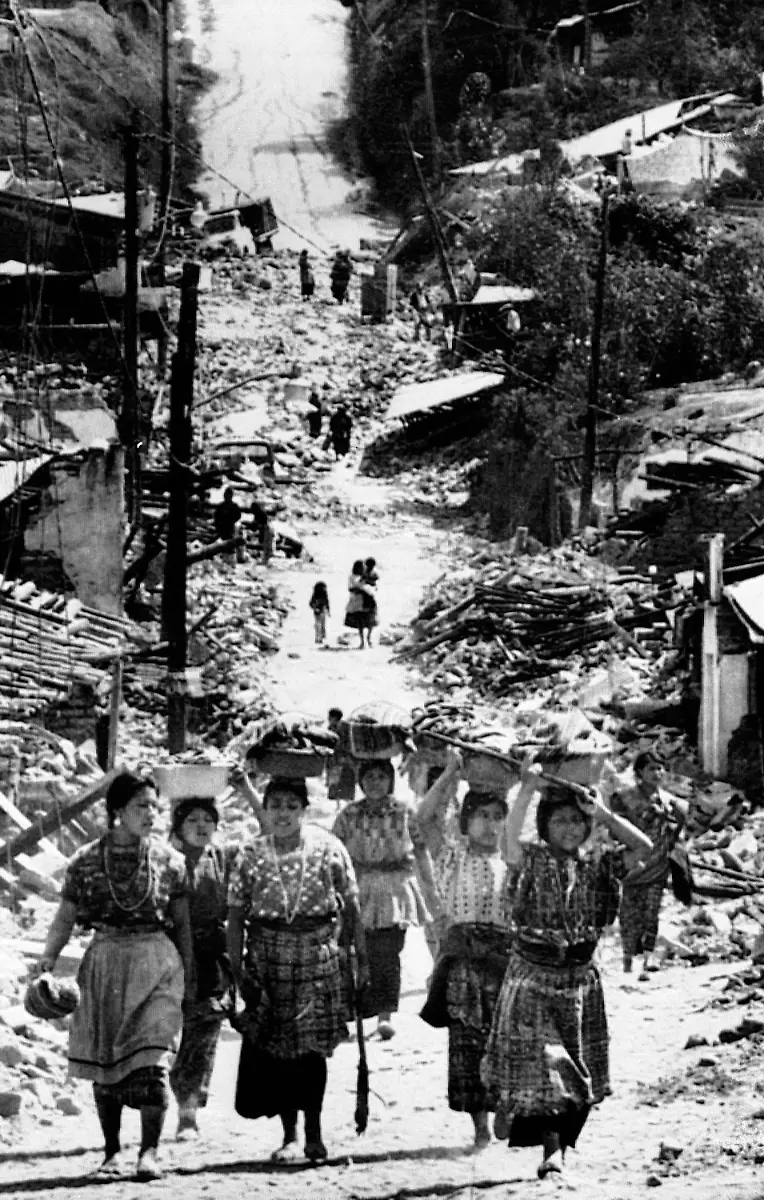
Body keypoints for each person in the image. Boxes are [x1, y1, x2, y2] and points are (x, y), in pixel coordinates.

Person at [480, 774, 652, 1180]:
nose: (570, 829)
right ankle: (551, 1151)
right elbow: (507, 842)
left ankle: (536, 1128)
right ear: (544, 826)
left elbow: (643, 846)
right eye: (560, 821)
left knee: (576, 1068)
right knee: (545, 1064)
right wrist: (525, 786)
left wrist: (603, 813)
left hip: (579, 980)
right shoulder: (531, 859)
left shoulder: (598, 864)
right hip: (533, 975)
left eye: (577, 821)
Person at [32, 773, 193, 1181]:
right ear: (117, 810)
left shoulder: (170, 861)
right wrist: (47, 960)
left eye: (155, 807)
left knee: (154, 1061)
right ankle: (111, 1152)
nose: (150, 815)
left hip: (157, 963)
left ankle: (150, 1153)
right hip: (105, 965)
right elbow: (65, 916)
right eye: (141, 806)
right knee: (107, 1067)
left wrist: (189, 977)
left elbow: (183, 924)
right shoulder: (86, 861)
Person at [227, 777, 368, 1162]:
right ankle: (289, 1135)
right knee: (278, 1050)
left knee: (311, 1050)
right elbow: (237, 915)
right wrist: (239, 971)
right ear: (265, 810)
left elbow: (351, 906)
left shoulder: (328, 847)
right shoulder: (251, 854)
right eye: (276, 806)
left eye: (292, 806)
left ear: (304, 810)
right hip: (268, 957)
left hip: (317, 955)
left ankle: (315, 1132)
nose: (283, 813)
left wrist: (361, 960)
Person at [418, 747, 517, 1150]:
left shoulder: (514, 862)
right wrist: (452, 773)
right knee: (467, 1042)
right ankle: (479, 1125)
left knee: (507, 1037)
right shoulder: (453, 857)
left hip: (504, 961)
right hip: (462, 962)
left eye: (497, 817)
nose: (490, 825)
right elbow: (424, 820)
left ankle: (506, 1106)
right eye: (482, 816)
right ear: (466, 819)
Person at [332, 759, 437, 1041]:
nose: (375, 782)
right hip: (359, 888)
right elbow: (334, 851)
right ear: (360, 781)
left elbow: (421, 847)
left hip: (394, 890)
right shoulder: (348, 814)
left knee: (388, 953)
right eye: (369, 777)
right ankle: (350, 1016)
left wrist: (429, 885)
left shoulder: (403, 812)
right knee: (354, 951)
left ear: (390, 780)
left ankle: (385, 1016)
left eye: (381, 776)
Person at [168, 795, 239, 1140]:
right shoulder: (164, 859)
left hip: (211, 951)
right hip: (169, 950)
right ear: (178, 826)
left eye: (207, 820)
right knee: (170, 1028)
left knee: (205, 1028)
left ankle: (188, 1110)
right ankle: (177, 1087)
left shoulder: (222, 857)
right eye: (192, 820)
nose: (201, 827)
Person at [611, 751, 689, 978]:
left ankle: (646, 961)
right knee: (628, 913)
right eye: (651, 769)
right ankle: (627, 960)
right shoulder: (625, 798)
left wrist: (669, 841)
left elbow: (680, 827)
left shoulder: (670, 802)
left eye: (660, 768)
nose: (657, 773)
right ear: (639, 773)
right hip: (632, 864)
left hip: (657, 865)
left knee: (651, 912)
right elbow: (614, 827)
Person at [344, 558, 376, 649]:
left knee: (371, 621)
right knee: (360, 622)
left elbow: (374, 585)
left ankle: (368, 638)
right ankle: (362, 642)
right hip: (357, 602)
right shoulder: (352, 577)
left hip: (368, 600)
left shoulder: (367, 575)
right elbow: (351, 588)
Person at [214, 487, 243, 563]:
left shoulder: (234, 506)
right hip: (222, 528)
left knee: (230, 544)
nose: (227, 497)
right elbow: (216, 517)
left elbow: (238, 516)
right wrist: (218, 526)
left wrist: (232, 521)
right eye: (226, 495)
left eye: (229, 495)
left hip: (230, 528)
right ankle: (225, 561)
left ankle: (231, 562)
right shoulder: (221, 506)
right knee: (223, 545)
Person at [309, 581, 330, 645]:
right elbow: (311, 604)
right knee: (318, 625)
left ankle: (321, 636)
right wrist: (315, 608)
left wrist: (328, 611)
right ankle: (318, 638)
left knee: (322, 625)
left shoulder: (324, 595)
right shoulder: (315, 596)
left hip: (322, 611)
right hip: (318, 612)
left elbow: (327, 603)